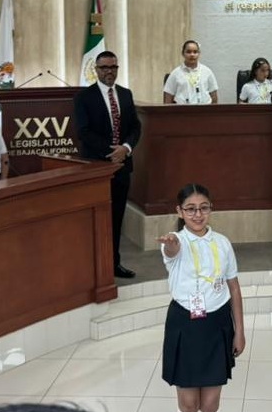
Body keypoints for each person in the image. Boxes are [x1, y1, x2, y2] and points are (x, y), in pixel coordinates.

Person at [157, 183, 245, 412]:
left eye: (204, 208)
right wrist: (171, 244)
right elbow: (171, 250)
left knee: (210, 404)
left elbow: (234, 288)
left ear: (210, 209)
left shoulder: (222, 242)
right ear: (180, 211)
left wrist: (240, 332)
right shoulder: (176, 240)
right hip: (185, 324)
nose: (198, 215)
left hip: (217, 324)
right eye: (190, 209)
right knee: (188, 405)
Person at [74, 51, 141, 279]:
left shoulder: (125, 94)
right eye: (104, 68)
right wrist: (112, 152)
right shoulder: (84, 97)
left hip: (122, 167)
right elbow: (83, 132)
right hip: (97, 168)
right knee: (97, 220)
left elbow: (135, 127)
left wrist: (126, 148)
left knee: (117, 218)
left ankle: (113, 264)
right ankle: (94, 267)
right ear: (96, 70)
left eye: (113, 67)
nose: (109, 71)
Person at [164, 40, 219, 104]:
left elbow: (214, 96)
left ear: (199, 54)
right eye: (188, 52)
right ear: (183, 53)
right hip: (182, 109)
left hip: (205, 109)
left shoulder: (207, 72)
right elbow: (168, 98)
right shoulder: (175, 74)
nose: (192, 55)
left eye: (195, 52)